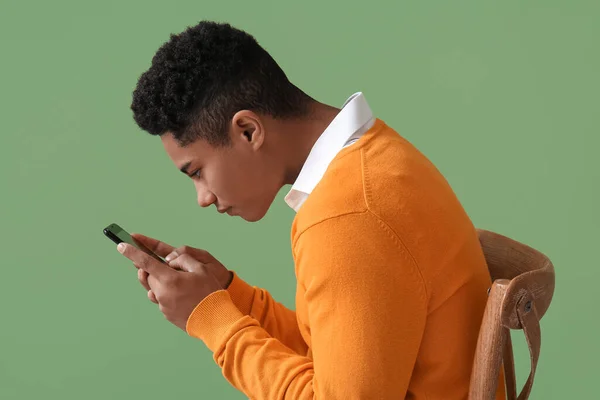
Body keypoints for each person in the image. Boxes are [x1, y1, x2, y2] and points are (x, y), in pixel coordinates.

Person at [118, 20, 504, 399]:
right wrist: (231, 298)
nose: (203, 196)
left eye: (197, 172)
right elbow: (340, 361)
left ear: (248, 130)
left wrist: (212, 320)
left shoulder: (346, 216)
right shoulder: (378, 157)